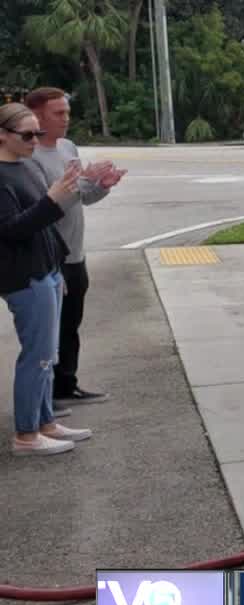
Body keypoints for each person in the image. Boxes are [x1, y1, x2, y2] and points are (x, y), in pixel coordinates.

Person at [0, 102, 93, 456]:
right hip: (24, 277)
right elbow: (12, 230)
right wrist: (52, 200)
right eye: (26, 134)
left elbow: (47, 228)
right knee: (37, 356)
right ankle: (26, 435)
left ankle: (45, 422)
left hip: (47, 271)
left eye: (37, 133)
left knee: (47, 354)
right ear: (2, 135)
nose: (35, 140)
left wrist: (58, 267)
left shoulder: (26, 166)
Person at [25, 87, 124, 406]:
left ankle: (67, 385)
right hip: (50, 256)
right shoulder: (29, 156)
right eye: (58, 113)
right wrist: (84, 182)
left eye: (67, 112)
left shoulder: (68, 147)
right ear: (37, 115)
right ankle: (45, 397)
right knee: (48, 332)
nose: (66, 119)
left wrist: (101, 186)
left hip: (76, 252)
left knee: (70, 325)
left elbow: (80, 197)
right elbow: (48, 205)